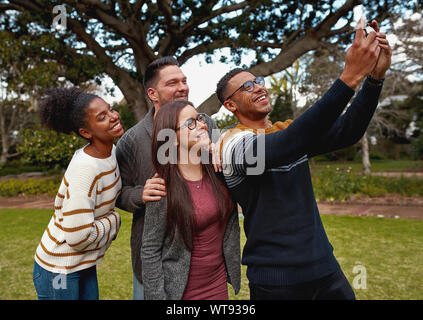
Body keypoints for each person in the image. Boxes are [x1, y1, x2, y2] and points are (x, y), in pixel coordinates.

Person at [214, 19, 392, 300]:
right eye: (247, 86)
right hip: (277, 280)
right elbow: (281, 148)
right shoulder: (230, 144)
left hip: (325, 267)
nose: (259, 87)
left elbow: (348, 131)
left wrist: (374, 79)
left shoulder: (285, 130)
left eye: (259, 81)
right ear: (230, 105)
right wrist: (348, 78)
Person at [115, 56, 219, 299]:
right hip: (155, 261)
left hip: (206, 261)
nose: (182, 87)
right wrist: (138, 194)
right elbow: (116, 192)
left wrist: (222, 153)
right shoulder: (131, 140)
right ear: (153, 93)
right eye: (172, 83)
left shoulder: (206, 125)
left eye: (184, 80)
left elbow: (222, 174)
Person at [141, 101, 240, 299]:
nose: (202, 125)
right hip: (181, 291)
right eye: (191, 123)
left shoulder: (217, 169)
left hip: (218, 285)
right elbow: (150, 249)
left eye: (200, 119)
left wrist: (222, 146)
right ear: (172, 138)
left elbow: (248, 132)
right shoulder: (162, 185)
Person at [33, 88, 124, 300]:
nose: (113, 116)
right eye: (102, 117)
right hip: (59, 269)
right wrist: (114, 220)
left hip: (83, 262)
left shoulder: (110, 153)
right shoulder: (86, 169)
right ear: (86, 132)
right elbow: (78, 236)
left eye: (110, 110)